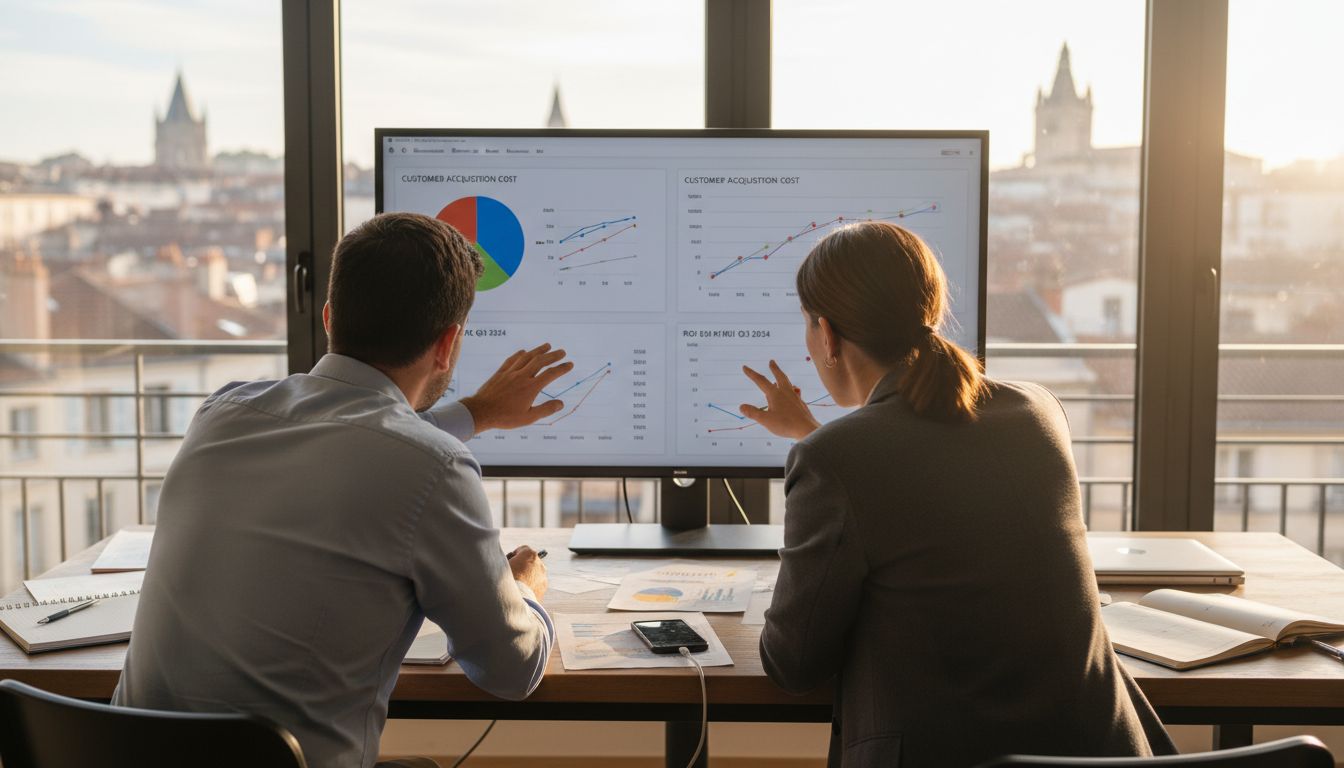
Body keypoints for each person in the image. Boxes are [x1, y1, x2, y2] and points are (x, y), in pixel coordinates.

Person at [113, 212, 574, 768]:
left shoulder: (222, 411)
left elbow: (359, 445)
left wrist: (476, 413)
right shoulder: (434, 468)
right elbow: (512, 669)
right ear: (448, 343)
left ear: (330, 316)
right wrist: (524, 590)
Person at [744, 221, 1175, 768]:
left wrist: (820, 446)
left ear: (826, 336)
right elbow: (931, 483)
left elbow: (792, 665)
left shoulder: (835, 461)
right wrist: (817, 436)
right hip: (1104, 756)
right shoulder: (1038, 412)